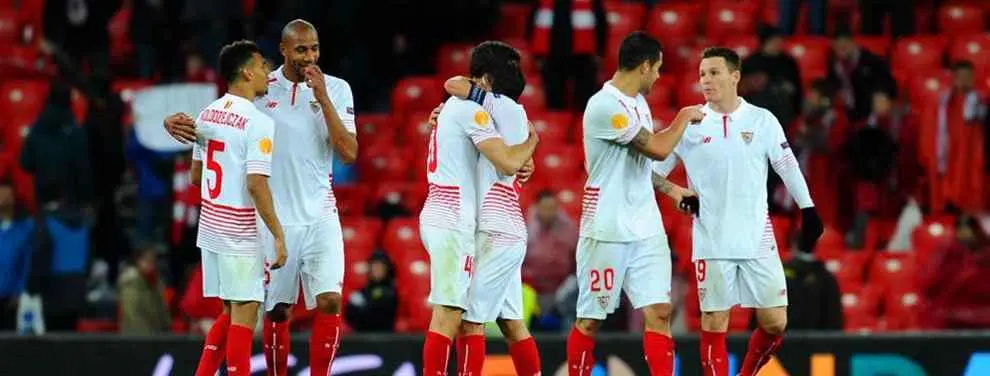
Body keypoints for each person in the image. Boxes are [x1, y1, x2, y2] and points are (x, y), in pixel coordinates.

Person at [165, 19, 359, 376]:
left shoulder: (337, 88)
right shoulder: (259, 88)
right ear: (283, 50)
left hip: (320, 214)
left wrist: (324, 99)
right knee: (276, 310)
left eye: (314, 48)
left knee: (330, 301)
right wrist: (175, 124)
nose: (310, 56)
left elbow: (348, 153)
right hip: (272, 216)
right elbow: (222, 123)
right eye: (301, 49)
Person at [652, 47, 823, 376]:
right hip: (711, 239)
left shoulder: (762, 119)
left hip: (757, 236)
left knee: (775, 321)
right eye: (702, 74)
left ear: (735, 76)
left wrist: (808, 208)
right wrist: (674, 192)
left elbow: (786, 164)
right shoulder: (690, 125)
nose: (706, 80)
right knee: (715, 321)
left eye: (714, 72)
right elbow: (653, 171)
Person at [567, 31, 703, 376]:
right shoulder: (605, 106)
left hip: (645, 226)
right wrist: (683, 117)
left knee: (659, 311)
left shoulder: (639, 103)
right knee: (590, 320)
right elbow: (656, 149)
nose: (659, 76)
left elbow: (640, 166)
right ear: (644, 66)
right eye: (657, 68)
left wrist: (671, 189)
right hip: (607, 228)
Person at [418, 41, 540, 376]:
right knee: (457, 315)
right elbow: (508, 160)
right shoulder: (478, 109)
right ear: (487, 77)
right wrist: (532, 145)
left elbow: (508, 163)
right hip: (462, 219)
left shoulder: (466, 108)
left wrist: (523, 162)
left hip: (482, 224)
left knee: (486, 319)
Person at [187, 40, 287, 376]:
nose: (266, 73)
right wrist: (278, 234)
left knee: (231, 313)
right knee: (245, 315)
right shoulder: (258, 122)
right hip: (239, 232)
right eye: (261, 66)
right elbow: (256, 184)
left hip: (211, 228)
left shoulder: (207, 114)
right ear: (246, 71)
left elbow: (195, 176)